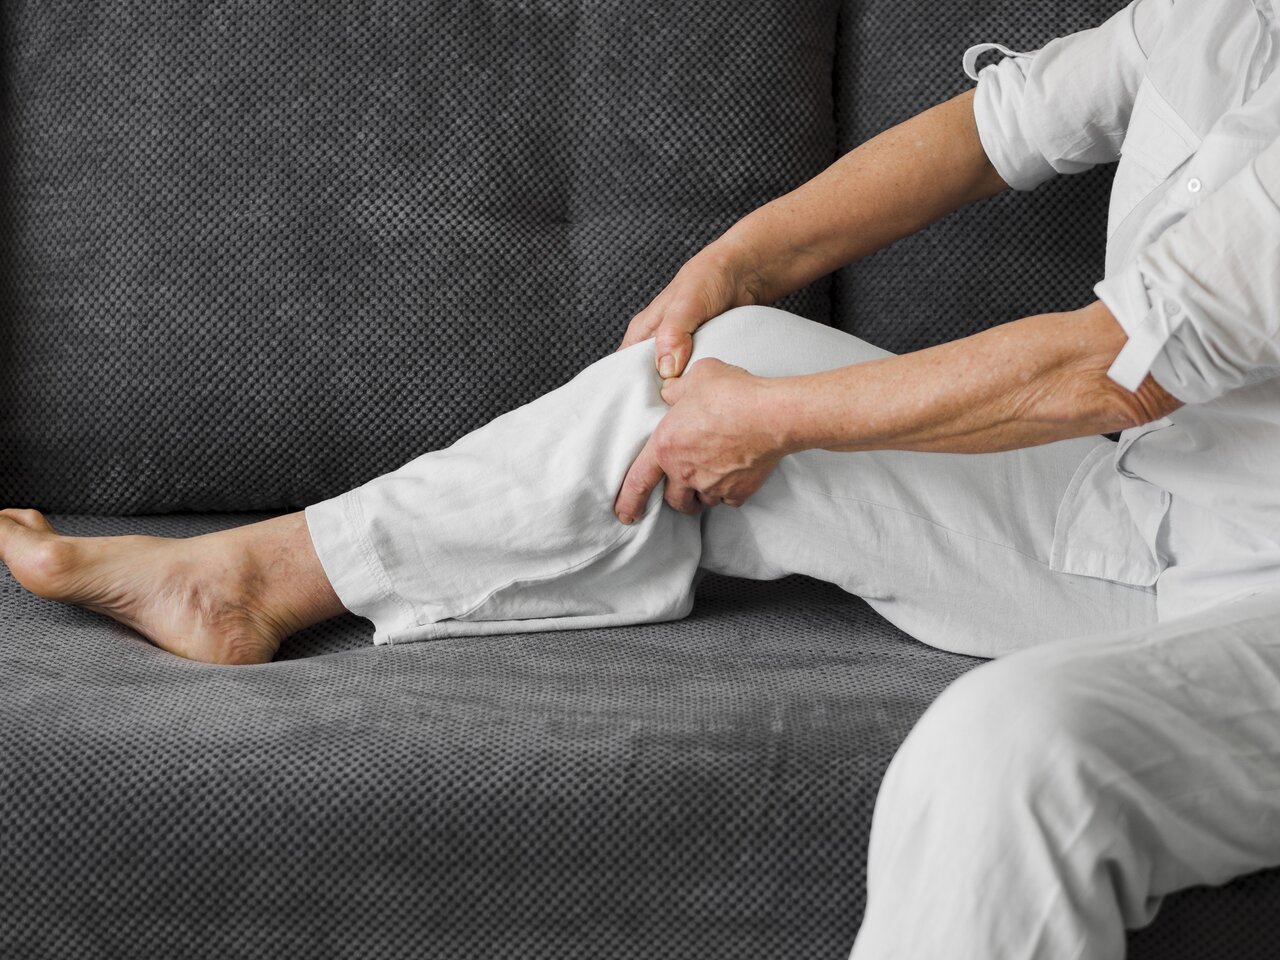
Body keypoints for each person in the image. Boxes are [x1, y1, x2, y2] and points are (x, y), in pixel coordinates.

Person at [4, 0, 1280, 955]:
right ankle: (249, 580)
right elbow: (996, 128)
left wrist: (774, 424)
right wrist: (736, 262)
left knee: (1013, 753)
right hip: (1150, 518)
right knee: (721, 365)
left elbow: (1107, 373)